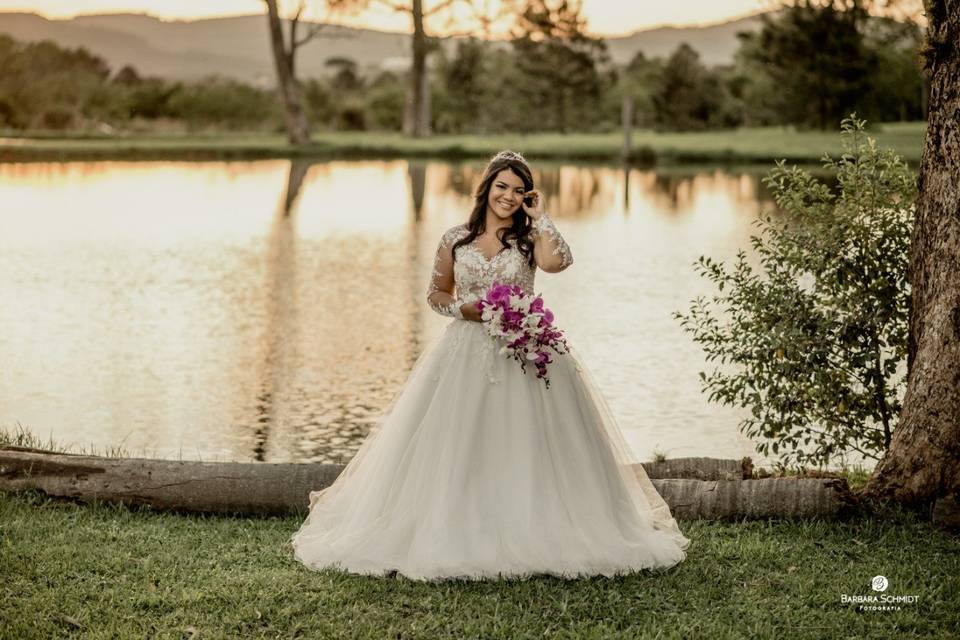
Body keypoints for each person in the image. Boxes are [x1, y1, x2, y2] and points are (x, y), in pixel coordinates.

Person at [291, 150, 690, 581]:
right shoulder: (455, 239)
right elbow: (436, 295)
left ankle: (539, 525)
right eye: (502, 187)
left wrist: (542, 218)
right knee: (458, 439)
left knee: (529, 439)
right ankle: (456, 523)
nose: (509, 196)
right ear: (487, 188)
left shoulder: (528, 239)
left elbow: (559, 263)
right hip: (465, 350)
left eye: (519, 191)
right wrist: (469, 310)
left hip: (524, 349)